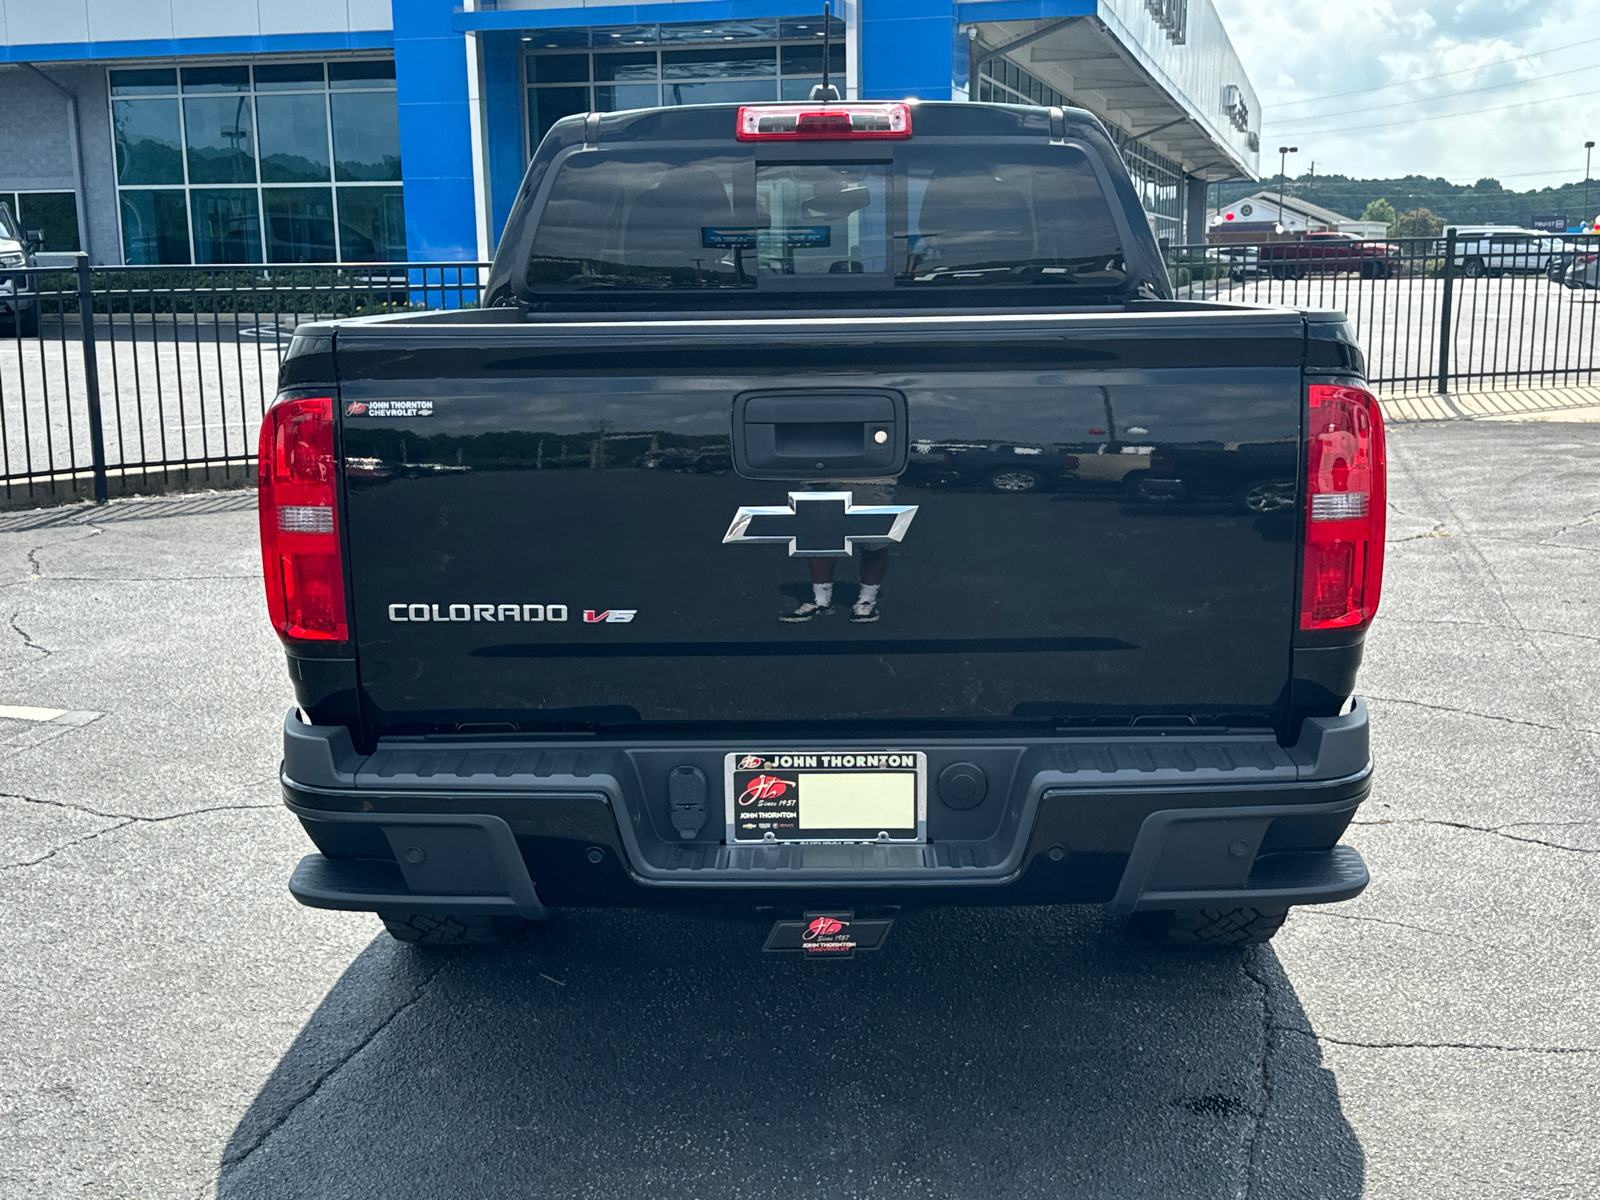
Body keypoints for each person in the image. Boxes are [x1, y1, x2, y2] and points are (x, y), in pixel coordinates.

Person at [780, 479, 895, 624]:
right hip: (816, 476)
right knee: (817, 540)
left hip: (870, 479)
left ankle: (867, 601)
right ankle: (821, 601)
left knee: (874, 542)